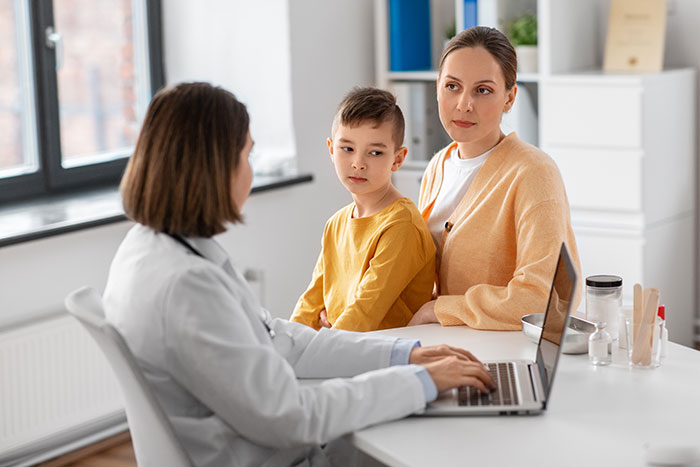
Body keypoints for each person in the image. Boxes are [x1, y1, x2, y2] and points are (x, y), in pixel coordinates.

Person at [102, 82, 494, 467]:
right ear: (214, 167)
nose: (250, 173)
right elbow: (290, 416)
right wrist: (419, 381)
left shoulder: (154, 250)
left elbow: (280, 339)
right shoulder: (186, 287)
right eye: (246, 156)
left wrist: (407, 354)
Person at [408, 26, 581, 330]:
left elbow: (546, 298)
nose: (463, 104)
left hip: (502, 349)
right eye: (452, 86)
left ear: (509, 98)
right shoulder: (438, 165)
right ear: (437, 87)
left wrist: (442, 309)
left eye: (483, 90)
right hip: (450, 345)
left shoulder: (533, 172)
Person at [290, 87, 436, 331]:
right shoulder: (336, 223)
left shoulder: (401, 226)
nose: (358, 163)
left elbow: (364, 312)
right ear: (331, 149)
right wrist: (288, 346)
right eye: (347, 148)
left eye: (375, 153)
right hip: (343, 347)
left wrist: (317, 348)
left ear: (397, 159)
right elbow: (311, 302)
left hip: (381, 354)